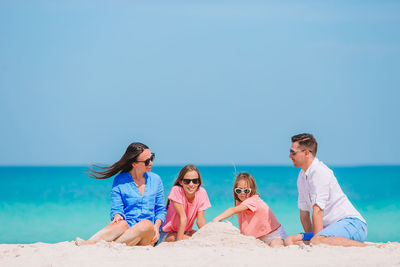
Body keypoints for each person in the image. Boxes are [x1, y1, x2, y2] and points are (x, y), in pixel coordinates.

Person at [76, 142, 166, 246]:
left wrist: (156, 227)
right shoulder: (119, 180)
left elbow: (160, 210)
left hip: (147, 236)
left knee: (147, 224)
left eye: (152, 158)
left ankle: (101, 246)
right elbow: (116, 208)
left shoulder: (156, 180)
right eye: (147, 161)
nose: (151, 163)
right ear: (134, 164)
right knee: (121, 224)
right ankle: (89, 243)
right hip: (127, 232)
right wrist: (117, 215)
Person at [285, 133, 368, 247]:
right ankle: (320, 240)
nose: (290, 156)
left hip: (353, 224)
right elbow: (304, 214)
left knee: (316, 241)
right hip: (330, 230)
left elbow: (317, 211)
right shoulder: (302, 176)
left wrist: (316, 241)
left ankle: (370, 247)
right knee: (289, 240)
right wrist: (314, 237)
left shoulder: (320, 172)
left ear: (306, 153)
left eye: (293, 152)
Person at [212, 172, 286, 247]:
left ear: (252, 190)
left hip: (274, 234)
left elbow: (233, 210)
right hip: (259, 237)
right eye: (238, 190)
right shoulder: (239, 201)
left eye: (246, 190)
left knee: (275, 246)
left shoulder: (253, 200)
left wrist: (217, 219)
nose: (242, 193)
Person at [160, 164, 211, 242]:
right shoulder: (176, 190)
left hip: (186, 231)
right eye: (187, 181)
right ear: (181, 182)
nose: (191, 184)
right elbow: (183, 218)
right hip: (167, 233)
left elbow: (200, 221)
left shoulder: (202, 192)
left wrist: (207, 236)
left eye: (195, 181)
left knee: (201, 236)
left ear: (198, 182)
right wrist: (180, 242)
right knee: (193, 240)